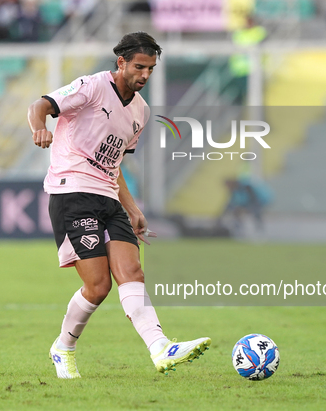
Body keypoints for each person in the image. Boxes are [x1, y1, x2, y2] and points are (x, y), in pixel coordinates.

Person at [27, 31, 211, 379]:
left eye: (151, 69)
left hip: (108, 197)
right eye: (139, 67)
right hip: (72, 193)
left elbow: (115, 164)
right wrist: (39, 127)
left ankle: (160, 348)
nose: (144, 75)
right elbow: (40, 106)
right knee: (98, 286)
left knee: (133, 273)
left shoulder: (141, 112)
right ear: (121, 62)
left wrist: (133, 208)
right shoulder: (90, 87)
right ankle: (62, 347)